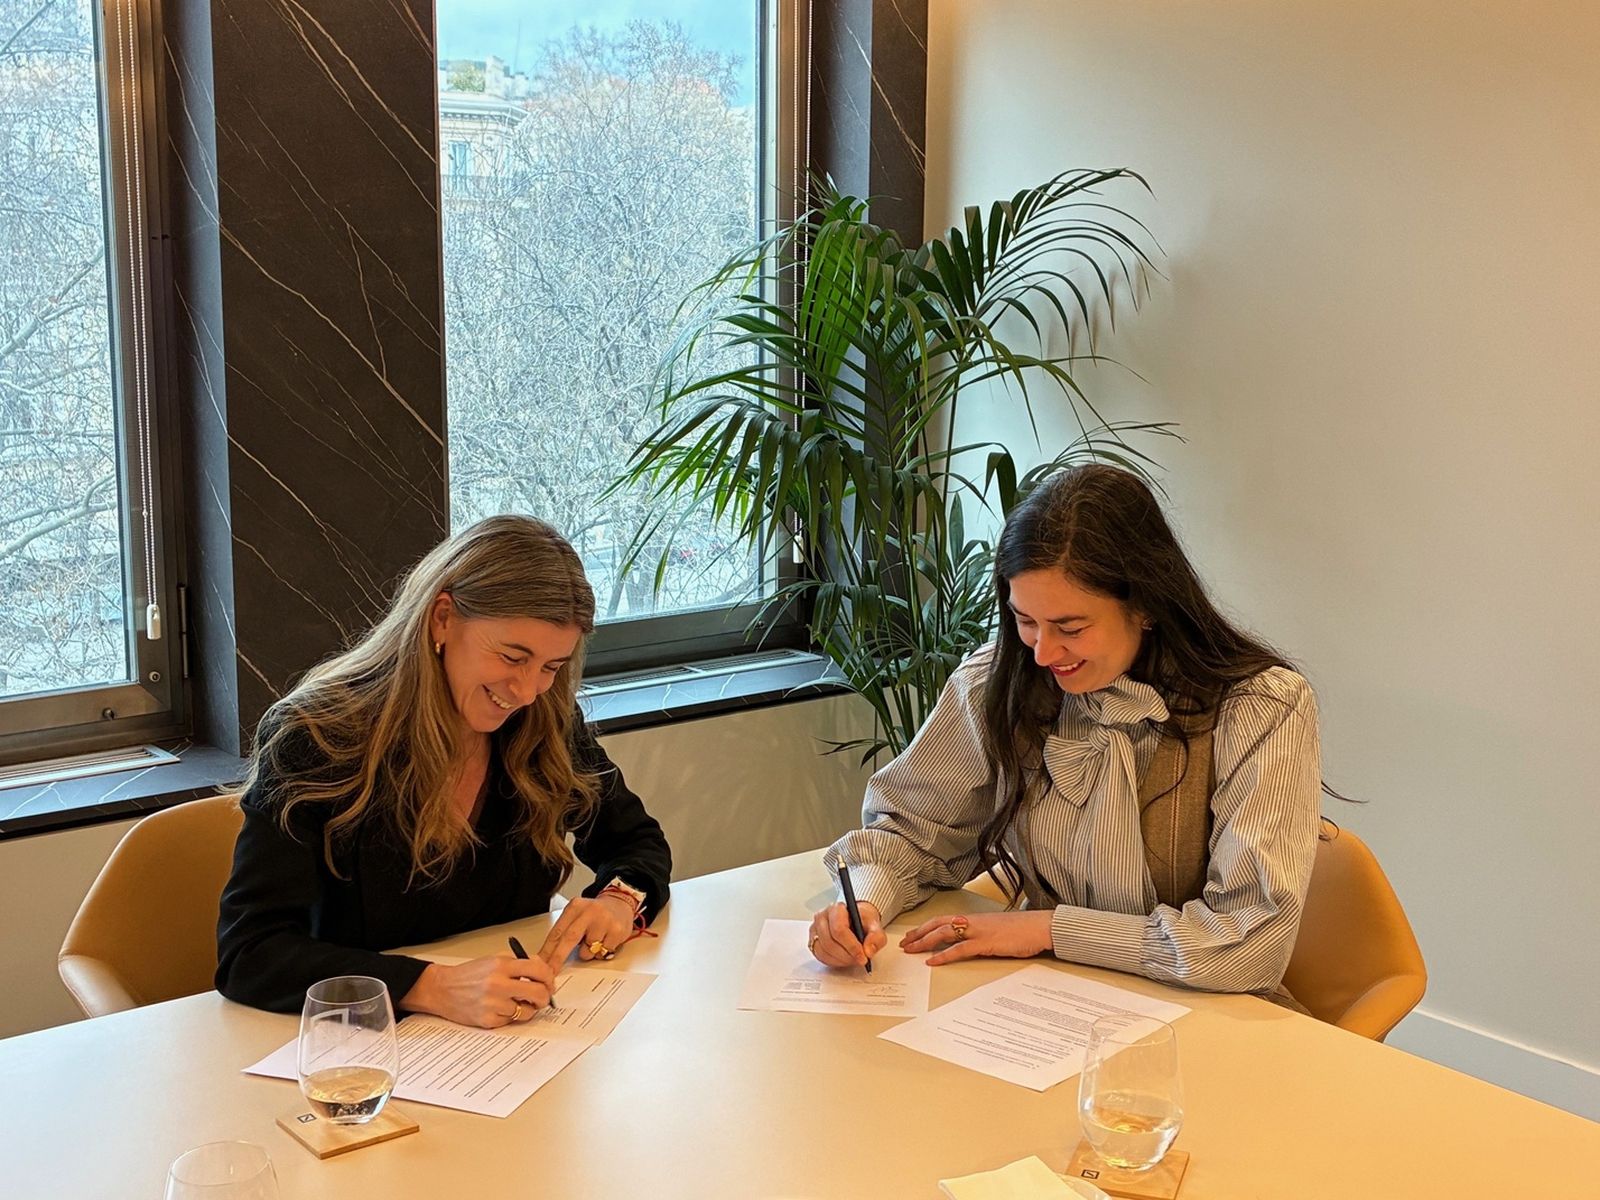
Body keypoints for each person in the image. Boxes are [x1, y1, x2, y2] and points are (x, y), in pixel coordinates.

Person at [811, 464, 1323, 997]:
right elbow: (912, 831)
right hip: (1043, 1003)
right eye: (1024, 621)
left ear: (1146, 604)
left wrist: (1049, 930)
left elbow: (1248, 946)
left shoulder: (1263, 708)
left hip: (1212, 1018)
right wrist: (864, 904)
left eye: (1071, 628)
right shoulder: (998, 682)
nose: (1042, 652)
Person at [216, 515, 671, 1027]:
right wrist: (430, 986)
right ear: (442, 620)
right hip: (365, 1049)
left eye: (550, 667)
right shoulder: (317, 737)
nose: (526, 692)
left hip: (513, 1041)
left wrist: (618, 899)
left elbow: (636, 843)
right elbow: (251, 954)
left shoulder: (545, 724)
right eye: (513, 657)